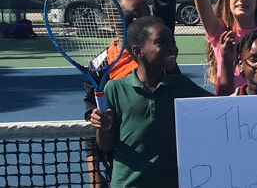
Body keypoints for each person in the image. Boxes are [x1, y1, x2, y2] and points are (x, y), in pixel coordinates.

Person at [82, 0, 181, 188]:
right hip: (126, 169)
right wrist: (94, 173)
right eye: (130, 16)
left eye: (144, 13)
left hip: (171, 162)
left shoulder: (159, 44)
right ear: (114, 21)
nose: (141, 21)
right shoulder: (101, 64)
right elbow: (94, 120)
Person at [88, 16, 211, 188]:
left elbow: (222, 106)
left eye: (173, 42)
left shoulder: (182, 86)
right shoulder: (115, 89)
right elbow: (106, 145)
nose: (172, 48)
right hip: (128, 184)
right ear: (138, 51)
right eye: (162, 43)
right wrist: (103, 127)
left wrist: (226, 60)